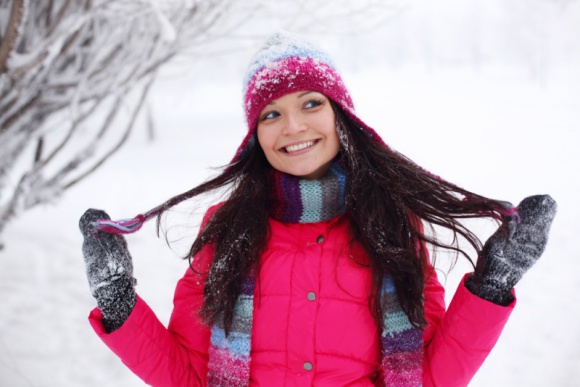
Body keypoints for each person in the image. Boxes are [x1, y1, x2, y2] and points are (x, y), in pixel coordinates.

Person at [79, 32, 556, 387]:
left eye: (310, 103)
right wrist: (120, 305)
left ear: (338, 115)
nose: (293, 127)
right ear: (255, 135)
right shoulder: (227, 230)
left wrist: (492, 285)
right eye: (271, 113)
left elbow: (424, 375)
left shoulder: (390, 225)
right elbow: (188, 375)